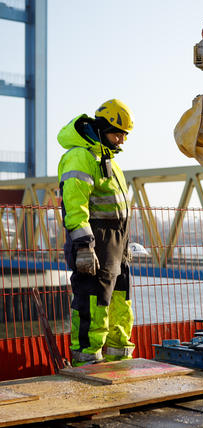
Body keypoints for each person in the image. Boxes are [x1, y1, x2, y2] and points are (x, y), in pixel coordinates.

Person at [57, 99, 135, 366]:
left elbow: (115, 210)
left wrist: (124, 246)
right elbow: (75, 205)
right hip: (94, 246)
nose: (122, 140)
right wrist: (83, 246)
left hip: (116, 246)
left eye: (125, 135)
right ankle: (87, 365)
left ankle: (119, 364)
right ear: (101, 129)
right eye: (118, 133)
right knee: (93, 306)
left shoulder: (108, 159)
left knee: (119, 305)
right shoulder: (81, 156)